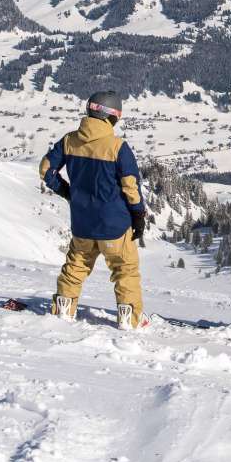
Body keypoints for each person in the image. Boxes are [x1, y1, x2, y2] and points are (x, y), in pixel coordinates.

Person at [40, 90, 149, 329]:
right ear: (112, 116)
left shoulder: (69, 141)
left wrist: (67, 192)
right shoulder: (118, 147)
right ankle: (129, 318)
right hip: (114, 226)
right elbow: (130, 186)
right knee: (125, 271)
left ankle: (65, 309)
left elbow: (46, 169)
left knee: (75, 267)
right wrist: (138, 215)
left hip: (82, 224)